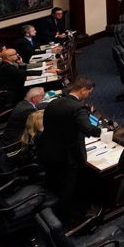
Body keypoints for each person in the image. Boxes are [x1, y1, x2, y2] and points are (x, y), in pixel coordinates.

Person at [38, 77, 100, 220]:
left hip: (47, 148)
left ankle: (52, 207)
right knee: (68, 186)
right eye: (88, 92)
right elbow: (88, 129)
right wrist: (100, 131)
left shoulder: (54, 102)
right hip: (67, 155)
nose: (88, 95)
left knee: (54, 180)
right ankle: (63, 218)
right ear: (83, 90)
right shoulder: (78, 108)